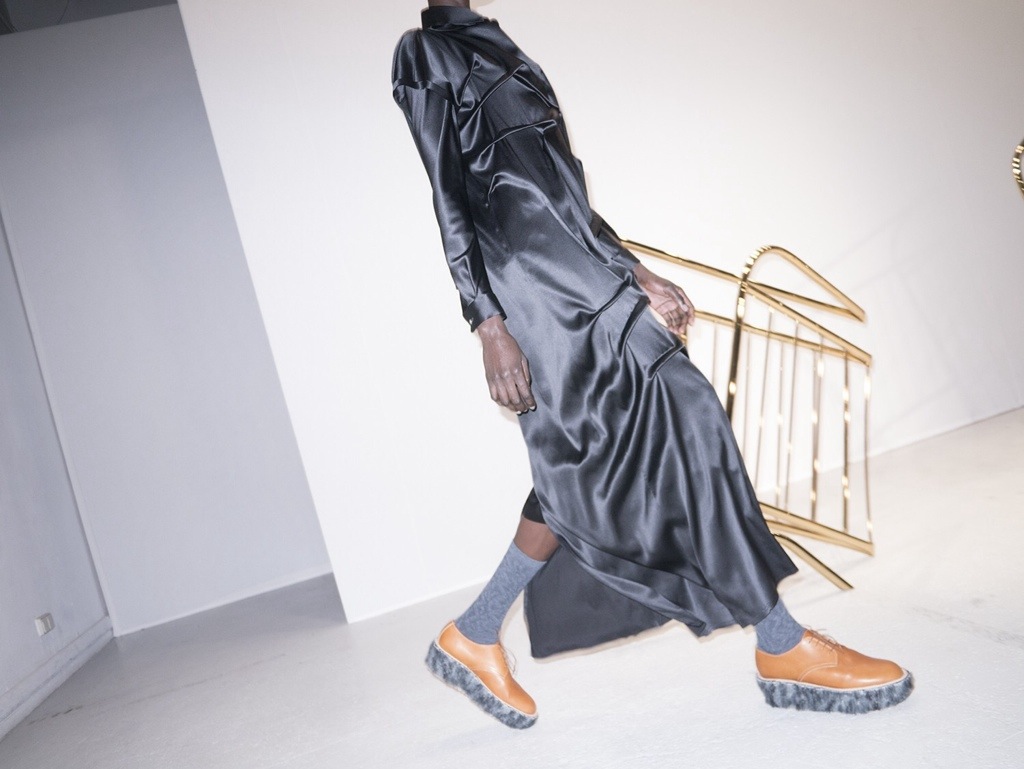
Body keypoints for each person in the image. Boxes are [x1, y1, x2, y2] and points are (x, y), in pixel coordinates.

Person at [392, 1, 913, 729]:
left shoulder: (500, 46)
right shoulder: (426, 54)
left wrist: (637, 271)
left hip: (587, 276)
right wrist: (488, 322)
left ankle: (476, 632)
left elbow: (564, 196)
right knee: (672, 418)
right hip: (534, 290)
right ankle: (780, 643)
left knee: (590, 455)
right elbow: (447, 197)